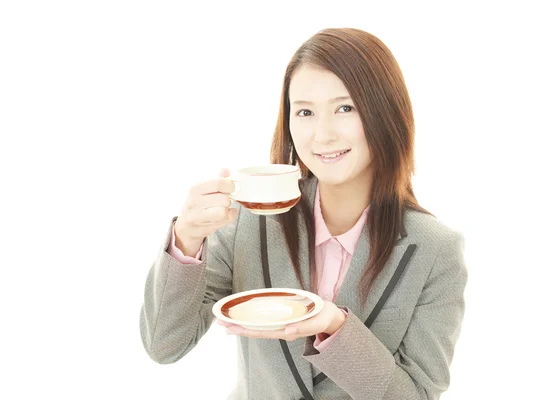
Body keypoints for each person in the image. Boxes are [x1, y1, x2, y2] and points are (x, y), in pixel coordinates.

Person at [140, 27, 467, 400]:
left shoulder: (435, 250)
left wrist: (335, 326)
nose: (322, 135)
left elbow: (418, 396)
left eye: (345, 108)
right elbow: (164, 346)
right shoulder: (251, 222)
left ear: (385, 113)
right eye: (305, 112)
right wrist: (186, 239)